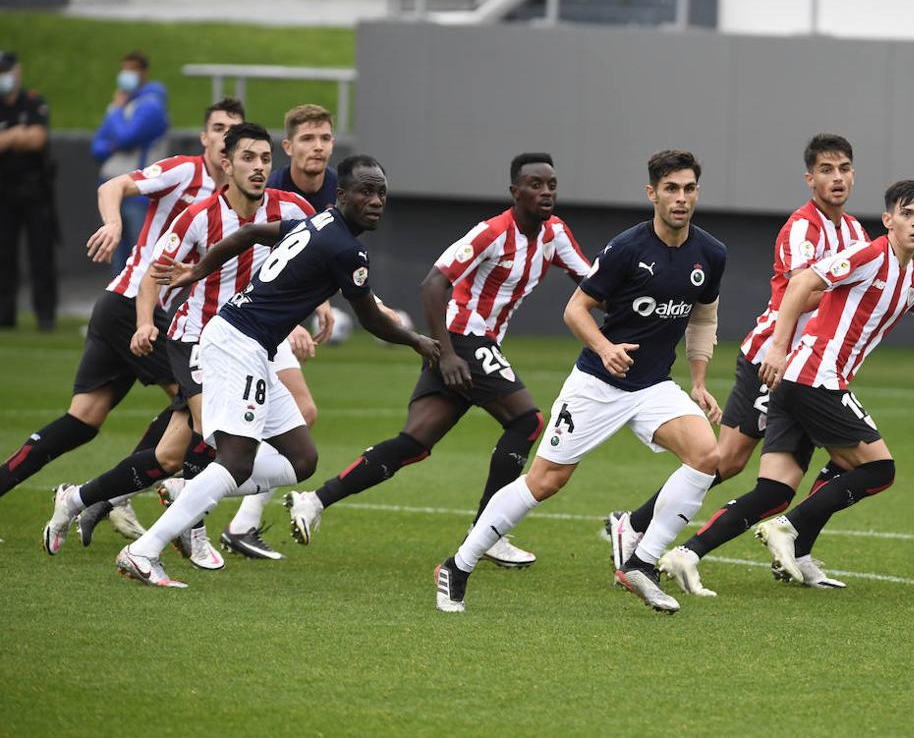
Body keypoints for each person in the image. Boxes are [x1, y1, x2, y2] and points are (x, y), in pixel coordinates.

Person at [660, 179, 914, 596]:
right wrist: (779, 348)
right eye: (906, 214)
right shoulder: (870, 255)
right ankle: (791, 530)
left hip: (801, 384)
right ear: (888, 220)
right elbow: (800, 285)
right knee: (879, 469)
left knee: (776, 489)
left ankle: (688, 555)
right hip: (813, 378)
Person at [115, 155, 439, 587]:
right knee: (234, 461)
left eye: (381, 191)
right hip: (238, 345)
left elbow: (248, 233)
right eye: (365, 191)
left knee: (300, 459)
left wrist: (198, 270)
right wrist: (418, 340)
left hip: (252, 346)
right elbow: (372, 321)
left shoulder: (319, 223)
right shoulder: (346, 248)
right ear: (341, 195)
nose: (375, 200)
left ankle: (190, 489)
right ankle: (144, 550)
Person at [435, 150, 726, 615]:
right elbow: (575, 309)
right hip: (597, 385)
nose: (681, 198)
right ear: (652, 194)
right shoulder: (626, 249)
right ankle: (458, 564)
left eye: (689, 188)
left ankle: (641, 564)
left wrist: (698, 380)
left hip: (652, 387)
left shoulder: (711, 253)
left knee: (708, 456)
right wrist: (605, 348)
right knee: (546, 480)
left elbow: (703, 317)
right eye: (671, 189)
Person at [284, 153, 590, 569]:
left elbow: (592, 283)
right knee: (528, 420)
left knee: (415, 443)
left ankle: (315, 500)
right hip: (462, 337)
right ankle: (488, 531)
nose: (546, 192)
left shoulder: (554, 234)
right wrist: (446, 354)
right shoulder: (491, 232)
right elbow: (433, 283)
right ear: (515, 192)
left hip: (472, 346)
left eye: (551, 185)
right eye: (535, 185)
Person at [42, 122, 321, 566]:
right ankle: (194, 530)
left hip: (247, 345)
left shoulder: (291, 208)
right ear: (226, 164)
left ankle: (77, 498)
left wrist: (319, 308)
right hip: (194, 339)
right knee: (215, 435)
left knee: (172, 455)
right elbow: (155, 272)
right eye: (248, 158)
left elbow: (324, 253)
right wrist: (143, 322)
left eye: (266, 159)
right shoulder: (198, 216)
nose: (259, 167)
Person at [609, 134, 868, 584]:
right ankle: (635, 525)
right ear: (810, 179)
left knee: (840, 461)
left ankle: (798, 550)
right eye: (827, 170)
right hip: (774, 358)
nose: (837, 177)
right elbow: (796, 292)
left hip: (814, 368)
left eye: (844, 168)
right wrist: (840, 292)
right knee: (726, 460)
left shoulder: (855, 233)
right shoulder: (802, 228)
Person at [0, 99, 243, 529]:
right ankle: (119, 495)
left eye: (233, 130)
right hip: (131, 305)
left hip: (131, 310)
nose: (225, 138)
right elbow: (111, 186)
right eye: (218, 128)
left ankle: (99, 493)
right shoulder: (186, 172)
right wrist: (113, 224)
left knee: (83, 420)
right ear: (204, 137)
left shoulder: (239, 197)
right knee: (194, 402)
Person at [92, 51, 170, 274]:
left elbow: (127, 137)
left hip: (139, 192)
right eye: (123, 69)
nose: (126, 75)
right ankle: (120, 306)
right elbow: (97, 146)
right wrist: (114, 143)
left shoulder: (151, 105)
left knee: (139, 259)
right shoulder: (124, 104)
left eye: (132, 70)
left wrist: (116, 111)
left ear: (144, 72)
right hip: (113, 189)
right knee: (117, 257)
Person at [0, 50, 58, 331]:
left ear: (17, 72)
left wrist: (8, 136)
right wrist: (17, 135)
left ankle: (45, 315)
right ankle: (4, 314)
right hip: (4, 192)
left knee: (41, 255)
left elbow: (37, 139)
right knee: (4, 255)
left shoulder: (33, 102)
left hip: (35, 191)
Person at [266, 103, 338, 212]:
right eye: (307, 139)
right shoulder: (269, 192)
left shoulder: (344, 192)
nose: (318, 147)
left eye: (325, 138)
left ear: (332, 145)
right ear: (288, 147)